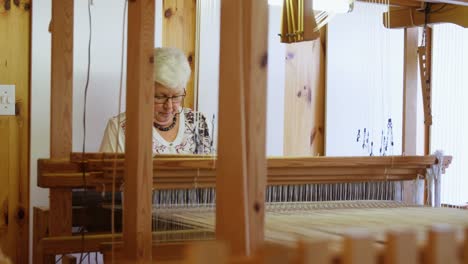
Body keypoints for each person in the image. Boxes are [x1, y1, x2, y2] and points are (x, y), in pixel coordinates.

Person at [100, 47, 214, 155]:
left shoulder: (200, 123)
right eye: (160, 97)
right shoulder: (119, 129)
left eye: (176, 97)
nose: (169, 106)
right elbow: (109, 174)